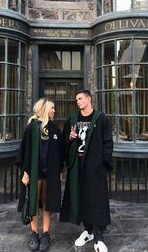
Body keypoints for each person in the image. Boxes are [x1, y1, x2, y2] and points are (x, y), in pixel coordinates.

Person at [60, 90, 113, 252]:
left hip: (94, 167)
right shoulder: (73, 119)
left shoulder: (100, 118)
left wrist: (103, 166)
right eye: (76, 99)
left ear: (89, 99)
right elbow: (64, 141)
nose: (77, 101)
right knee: (81, 198)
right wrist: (69, 137)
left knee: (96, 200)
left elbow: (108, 143)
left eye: (80, 98)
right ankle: (88, 230)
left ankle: (98, 237)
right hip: (77, 167)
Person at [17, 98, 63, 251]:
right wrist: (26, 171)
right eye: (52, 108)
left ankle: (46, 233)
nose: (54, 111)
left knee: (47, 202)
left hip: (49, 173)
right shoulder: (32, 127)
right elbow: (25, 151)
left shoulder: (54, 127)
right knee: (34, 203)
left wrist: (59, 170)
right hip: (34, 172)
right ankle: (34, 233)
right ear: (44, 109)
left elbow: (60, 150)